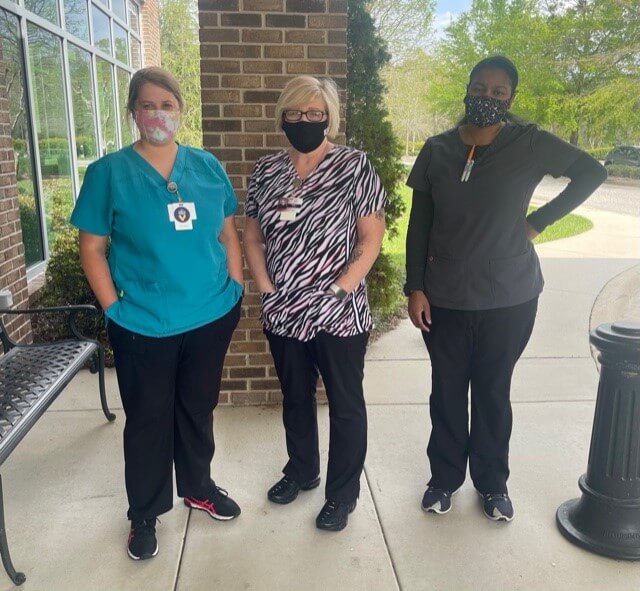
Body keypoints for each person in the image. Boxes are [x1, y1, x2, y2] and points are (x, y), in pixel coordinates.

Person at [405, 56, 607, 522]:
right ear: (467, 89)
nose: (488, 97)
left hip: (510, 298)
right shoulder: (436, 149)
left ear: (510, 98)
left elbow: (591, 173)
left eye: (499, 92)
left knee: (494, 390)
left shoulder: (529, 143)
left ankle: (493, 485)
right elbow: (420, 224)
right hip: (444, 297)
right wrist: (415, 286)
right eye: (481, 87)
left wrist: (538, 222)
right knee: (448, 390)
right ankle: (444, 480)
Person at [70, 67, 244, 560]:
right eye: (148, 105)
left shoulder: (207, 166)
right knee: (147, 419)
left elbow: (228, 232)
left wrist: (234, 287)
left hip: (210, 314)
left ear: (180, 112)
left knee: (197, 407)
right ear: (133, 113)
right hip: (142, 324)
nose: (158, 114)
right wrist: (113, 309)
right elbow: (92, 248)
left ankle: (198, 486)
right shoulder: (109, 173)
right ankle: (144, 513)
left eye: (167, 105)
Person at [244, 76, 387, 532]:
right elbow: (252, 236)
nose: (304, 121)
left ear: (329, 118)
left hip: (339, 311)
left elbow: (371, 238)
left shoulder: (354, 165)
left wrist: (340, 289)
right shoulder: (266, 170)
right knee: (295, 398)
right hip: (283, 310)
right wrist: (267, 288)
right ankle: (302, 470)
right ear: (282, 117)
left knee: (346, 404)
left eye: (314, 114)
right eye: (295, 114)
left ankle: (341, 495)